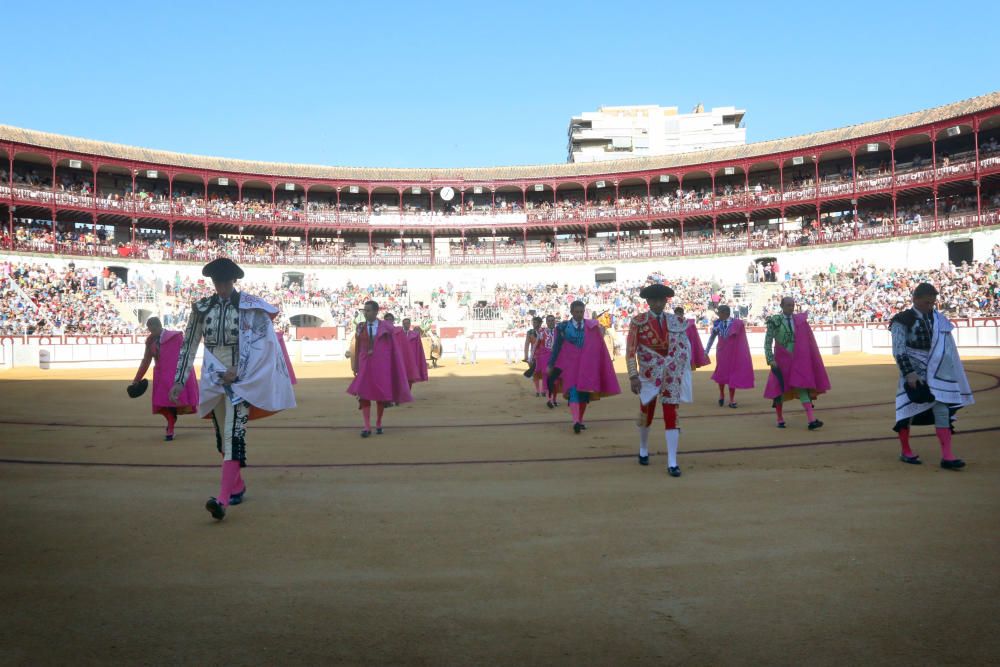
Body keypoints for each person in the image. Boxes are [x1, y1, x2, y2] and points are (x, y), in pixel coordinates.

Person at [170, 258, 296, 521]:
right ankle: (236, 485)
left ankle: (222, 500)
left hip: (242, 379)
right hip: (213, 377)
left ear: (233, 281)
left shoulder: (250, 307)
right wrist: (180, 379)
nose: (221, 287)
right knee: (221, 436)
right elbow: (189, 344)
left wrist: (239, 368)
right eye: (217, 282)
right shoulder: (202, 308)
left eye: (225, 282)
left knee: (233, 435)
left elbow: (265, 345)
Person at [890, 283, 974, 469]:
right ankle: (905, 450)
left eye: (933, 303)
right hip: (913, 371)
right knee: (906, 412)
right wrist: (909, 373)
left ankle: (947, 455)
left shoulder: (938, 319)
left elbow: (947, 349)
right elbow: (899, 350)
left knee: (942, 409)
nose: (931, 306)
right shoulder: (902, 320)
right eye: (927, 303)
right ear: (915, 299)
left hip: (937, 371)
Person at [627, 284, 691, 477]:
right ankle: (643, 448)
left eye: (661, 300)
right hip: (648, 375)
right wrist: (633, 375)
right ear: (647, 302)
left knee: (671, 413)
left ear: (665, 301)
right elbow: (631, 351)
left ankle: (672, 461)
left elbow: (683, 348)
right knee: (646, 413)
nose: (657, 303)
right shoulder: (638, 321)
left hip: (670, 374)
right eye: (653, 300)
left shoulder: (676, 321)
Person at [548, 300, 621, 433]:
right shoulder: (563, 327)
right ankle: (576, 421)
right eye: (577, 312)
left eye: (581, 312)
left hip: (587, 366)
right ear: (571, 312)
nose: (579, 314)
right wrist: (551, 364)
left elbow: (598, 343)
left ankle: (579, 420)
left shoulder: (591, 326)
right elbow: (557, 347)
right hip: (571, 366)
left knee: (584, 394)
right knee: (574, 391)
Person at [763, 296, 831, 430]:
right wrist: (770, 359)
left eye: (792, 305)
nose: (791, 307)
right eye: (788, 305)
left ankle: (811, 420)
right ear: (781, 306)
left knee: (802, 386)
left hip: (797, 360)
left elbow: (806, 341)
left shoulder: (799, 320)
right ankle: (780, 418)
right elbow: (767, 342)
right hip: (781, 360)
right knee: (779, 390)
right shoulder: (775, 321)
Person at [347, 300, 412, 437]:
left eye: (368, 310)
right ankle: (366, 426)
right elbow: (357, 347)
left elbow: (394, 348)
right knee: (364, 395)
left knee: (380, 396)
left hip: (381, 366)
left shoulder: (386, 327)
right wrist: (356, 365)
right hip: (365, 366)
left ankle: (378, 423)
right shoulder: (360, 327)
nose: (365, 313)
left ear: (376, 312)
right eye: (364, 310)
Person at [130, 316, 199, 441]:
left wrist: (185, 375)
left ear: (159, 325)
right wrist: (136, 379)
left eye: (154, 329)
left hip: (174, 376)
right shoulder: (150, 341)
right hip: (161, 376)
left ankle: (170, 427)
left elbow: (185, 355)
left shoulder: (176, 337)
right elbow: (146, 361)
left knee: (169, 403)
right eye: (150, 330)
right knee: (161, 403)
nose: (152, 332)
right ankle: (171, 423)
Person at [705, 305, 754, 408]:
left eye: (719, 313)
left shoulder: (737, 323)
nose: (718, 315)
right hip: (722, 353)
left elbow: (742, 341)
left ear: (725, 313)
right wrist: (706, 351)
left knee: (732, 375)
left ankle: (732, 399)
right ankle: (722, 394)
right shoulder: (718, 324)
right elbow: (712, 338)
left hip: (733, 353)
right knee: (721, 374)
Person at [534, 315, 561, 408]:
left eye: (552, 320)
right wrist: (531, 357)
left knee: (557, 380)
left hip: (557, 357)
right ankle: (549, 399)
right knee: (547, 378)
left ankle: (554, 399)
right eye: (549, 320)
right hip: (545, 357)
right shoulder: (542, 332)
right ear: (546, 322)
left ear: (555, 321)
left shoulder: (559, 331)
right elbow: (536, 345)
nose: (551, 322)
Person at [674, 306, 711, 371]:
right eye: (676, 314)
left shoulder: (689, 324)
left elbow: (694, 338)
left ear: (682, 314)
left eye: (679, 314)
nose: (677, 316)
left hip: (687, 346)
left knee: (686, 366)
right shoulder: (673, 324)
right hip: (677, 346)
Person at [401, 318, 428, 388]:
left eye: (407, 323)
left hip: (411, 359)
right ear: (402, 324)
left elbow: (418, 348)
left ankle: (407, 392)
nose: (406, 325)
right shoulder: (398, 334)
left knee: (410, 377)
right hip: (401, 358)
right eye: (404, 323)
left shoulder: (414, 335)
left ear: (410, 324)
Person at [524, 316, 543, 396]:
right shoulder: (530, 332)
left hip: (543, 355)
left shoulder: (544, 331)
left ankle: (543, 390)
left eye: (535, 322)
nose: (534, 324)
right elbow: (527, 344)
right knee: (535, 373)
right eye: (533, 322)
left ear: (540, 323)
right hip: (533, 356)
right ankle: (538, 391)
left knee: (544, 373)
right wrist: (526, 356)